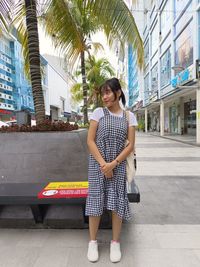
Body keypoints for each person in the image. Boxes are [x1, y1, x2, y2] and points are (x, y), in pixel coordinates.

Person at [85, 77, 137, 263]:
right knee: (95, 202)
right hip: (98, 165)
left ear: (118, 92)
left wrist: (113, 164)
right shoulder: (98, 112)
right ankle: (93, 242)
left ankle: (115, 243)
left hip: (118, 165)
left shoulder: (129, 117)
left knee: (117, 203)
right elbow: (90, 140)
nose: (104, 97)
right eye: (102, 93)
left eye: (108, 92)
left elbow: (130, 146)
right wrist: (103, 165)